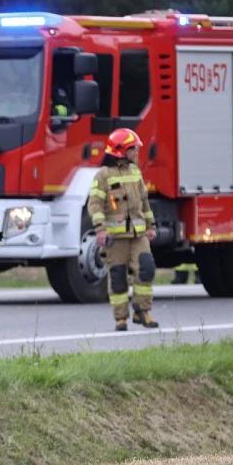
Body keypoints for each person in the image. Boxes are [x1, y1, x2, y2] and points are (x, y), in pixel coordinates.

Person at [88, 128, 158, 331]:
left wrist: (150, 226)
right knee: (118, 276)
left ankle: (142, 311)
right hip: (115, 237)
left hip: (138, 234)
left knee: (146, 268)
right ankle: (121, 318)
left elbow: (144, 202)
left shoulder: (135, 171)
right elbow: (94, 205)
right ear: (120, 151)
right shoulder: (103, 175)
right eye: (132, 149)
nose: (136, 152)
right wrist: (100, 230)